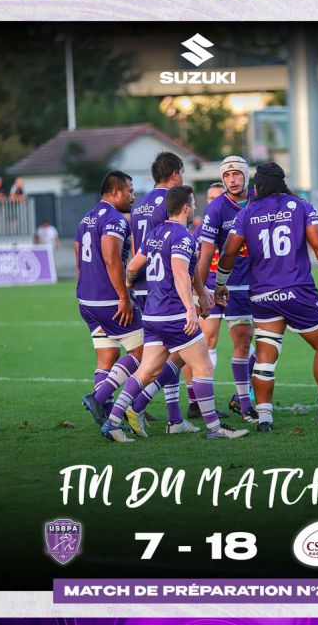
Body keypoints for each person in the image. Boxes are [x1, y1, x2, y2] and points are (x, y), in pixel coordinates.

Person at [215, 162, 318, 431]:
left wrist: (220, 285)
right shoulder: (302, 206)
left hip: (262, 295)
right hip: (297, 290)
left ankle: (264, 418)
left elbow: (228, 253)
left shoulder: (246, 213)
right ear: (282, 183)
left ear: (257, 185)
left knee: (265, 356)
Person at [101, 185, 249, 442]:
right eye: (193, 205)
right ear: (186, 208)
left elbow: (133, 266)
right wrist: (190, 310)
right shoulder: (183, 237)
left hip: (152, 315)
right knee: (203, 366)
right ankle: (215, 429)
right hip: (173, 315)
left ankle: (112, 422)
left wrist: (130, 285)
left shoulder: (155, 233)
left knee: (146, 371)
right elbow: (180, 274)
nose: (195, 209)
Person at [127, 152, 211, 425]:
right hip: (165, 290)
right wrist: (199, 295)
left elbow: (137, 251)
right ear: (175, 174)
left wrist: (130, 282)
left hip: (144, 285)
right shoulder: (171, 203)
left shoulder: (139, 203)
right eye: (182, 172)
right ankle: (170, 416)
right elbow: (180, 260)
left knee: (166, 354)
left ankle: (132, 410)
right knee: (177, 351)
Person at [74, 170, 145, 440]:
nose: (132, 196)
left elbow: (79, 259)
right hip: (110, 300)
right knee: (143, 352)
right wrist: (124, 297)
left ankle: (106, 417)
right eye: (130, 191)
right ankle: (98, 397)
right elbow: (111, 258)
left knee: (107, 357)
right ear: (116, 192)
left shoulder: (85, 218)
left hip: (87, 300)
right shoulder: (114, 219)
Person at [198, 156, 258, 424]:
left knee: (268, 344)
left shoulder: (260, 199)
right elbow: (205, 254)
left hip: (262, 282)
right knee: (238, 342)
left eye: (236, 174)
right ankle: (245, 405)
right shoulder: (215, 210)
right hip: (230, 286)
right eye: (227, 175)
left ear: (246, 176)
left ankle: (244, 398)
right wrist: (200, 292)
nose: (232, 180)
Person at [183, 182, 230, 419]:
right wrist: (197, 293)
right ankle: (197, 402)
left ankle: (246, 397)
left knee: (247, 343)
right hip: (209, 290)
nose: (213, 202)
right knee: (205, 343)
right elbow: (191, 264)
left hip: (236, 289)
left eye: (218, 198)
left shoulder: (237, 223)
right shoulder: (200, 231)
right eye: (210, 198)